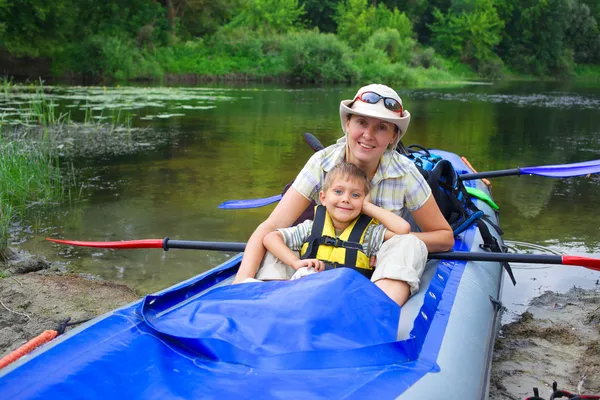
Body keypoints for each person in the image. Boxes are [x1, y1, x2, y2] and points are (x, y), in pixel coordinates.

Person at [233, 83, 454, 306]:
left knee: (409, 244)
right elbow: (270, 228)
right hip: (318, 264)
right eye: (362, 122)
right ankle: (271, 302)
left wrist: (385, 244)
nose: (368, 135)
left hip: (375, 266)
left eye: (381, 127)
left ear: (393, 136)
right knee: (281, 240)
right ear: (347, 123)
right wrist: (241, 280)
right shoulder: (322, 163)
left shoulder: (405, 172)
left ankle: (373, 311)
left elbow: (444, 237)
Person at [263, 162, 411, 281]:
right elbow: (271, 238)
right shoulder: (310, 228)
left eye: (355, 195)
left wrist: (367, 207)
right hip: (308, 293)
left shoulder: (370, 235)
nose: (345, 199)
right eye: (338, 192)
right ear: (323, 198)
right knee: (272, 255)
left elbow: (403, 230)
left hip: (347, 299)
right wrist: (295, 262)